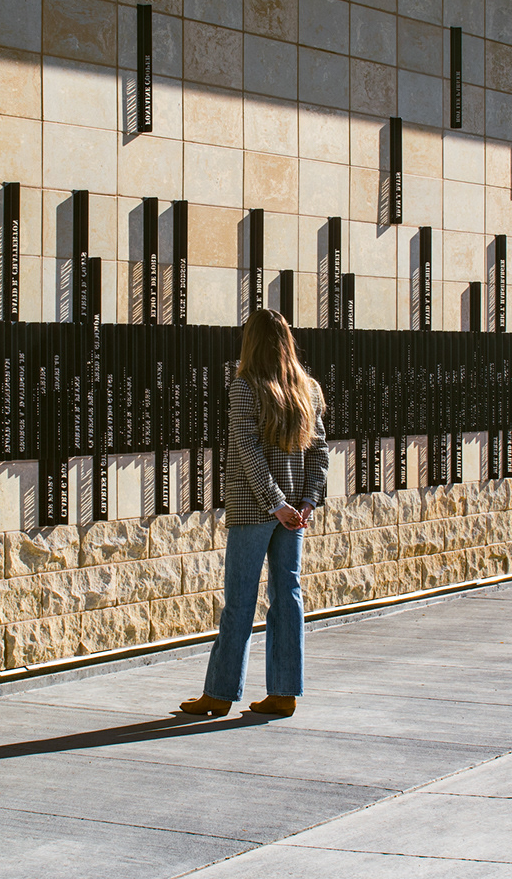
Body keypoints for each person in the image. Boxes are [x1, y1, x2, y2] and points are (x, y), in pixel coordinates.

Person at [180, 308, 328, 719]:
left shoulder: (245, 386)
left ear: (252, 341)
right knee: (288, 597)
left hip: (256, 509)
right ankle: (284, 693)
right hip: (293, 512)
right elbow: (320, 453)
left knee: (240, 601)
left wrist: (275, 504)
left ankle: (220, 694)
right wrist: (305, 502)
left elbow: (247, 452)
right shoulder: (308, 389)